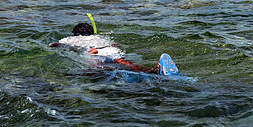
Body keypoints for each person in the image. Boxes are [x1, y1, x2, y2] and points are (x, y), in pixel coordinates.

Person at [49, 21, 180, 76]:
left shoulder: (69, 39)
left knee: (98, 70)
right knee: (124, 63)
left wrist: (54, 45)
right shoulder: (99, 37)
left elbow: (59, 45)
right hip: (108, 50)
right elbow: (115, 45)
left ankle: (119, 76)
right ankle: (149, 70)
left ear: (74, 33)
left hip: (94, 52)